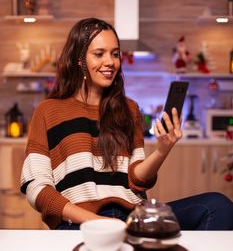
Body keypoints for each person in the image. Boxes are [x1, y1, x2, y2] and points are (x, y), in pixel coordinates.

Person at [20, 18, 233, 230]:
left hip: (134, 217)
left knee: (216, 206)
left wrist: (162, 149)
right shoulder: (48, 111)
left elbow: (137, 180)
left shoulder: (128, 108)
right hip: (80, 222)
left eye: (115, 54)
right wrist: (98, 222)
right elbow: (36, 187)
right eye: (99, 53)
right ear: (79, 59)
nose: (110, 62)